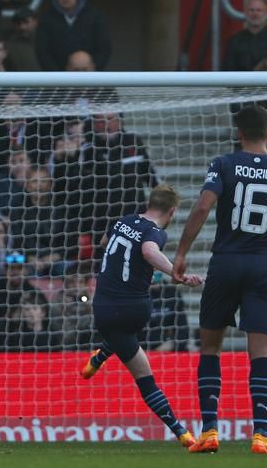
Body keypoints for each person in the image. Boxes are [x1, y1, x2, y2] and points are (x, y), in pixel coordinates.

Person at [172, 105, 267, 455]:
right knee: (261, 354)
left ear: (238, 133)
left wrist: (181, 253)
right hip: (264, 267)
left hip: (226, 263)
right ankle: (260, 435)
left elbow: (202, 208)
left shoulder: (223, 164)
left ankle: (209, 430)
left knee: (211, 347)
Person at [81, 184, 203, 447]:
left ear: (149, 204)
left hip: (102, 307)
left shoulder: (123, 220)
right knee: (145, 377)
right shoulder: (155, 232)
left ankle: (101, 355)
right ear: (171, 211)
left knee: (119, 337)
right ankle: (182, 432)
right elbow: (148, 250)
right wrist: (175, 273)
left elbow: (104, 243)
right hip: (133, 309)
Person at [36, 0, 112, 71]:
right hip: (58, 78)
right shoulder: (47, 19)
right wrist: (56, 75)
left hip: (90, 76)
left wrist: (93, 70)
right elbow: (43, 51)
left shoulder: (94, 16)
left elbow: (104, 47)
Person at [222, 0, 267, 72]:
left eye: (259, 10)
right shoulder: (235, 41)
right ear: (245, 13)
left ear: (266, 13)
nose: (255, 14)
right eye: (251, 10)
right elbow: (228, 70)